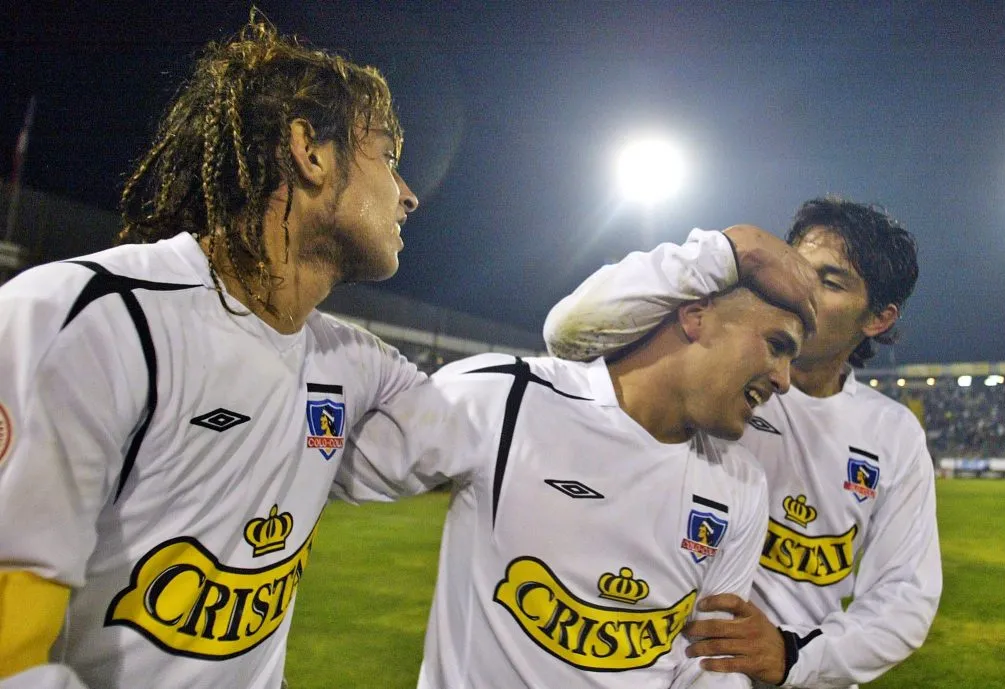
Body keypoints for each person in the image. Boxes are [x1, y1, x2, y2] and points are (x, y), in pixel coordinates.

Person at [0, 12, 421, 689]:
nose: (409, 195)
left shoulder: (359, 366)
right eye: (390, 157)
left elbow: (513, 426)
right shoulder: (90, 321)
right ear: (310, 151)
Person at [335, 225, 818, 688]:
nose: (783, 379)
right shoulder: (509, 398)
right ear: (695, 316)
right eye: (777, 347)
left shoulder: (741, 485)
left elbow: (709, 662)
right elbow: (329, 467)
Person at [544, 198, 942, 688]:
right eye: (798, 269)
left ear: (878, 319)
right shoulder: (716, 372)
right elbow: (568, 333)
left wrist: (795, 655)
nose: (805, 291)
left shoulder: (892, 434)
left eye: (831, 281)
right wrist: (730, 250)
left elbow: (905, 594)